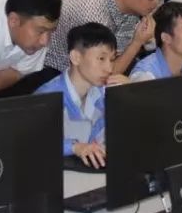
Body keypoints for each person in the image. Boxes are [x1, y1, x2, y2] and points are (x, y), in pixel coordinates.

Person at [43, 0, 164, 75]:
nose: (156, 1)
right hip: (57, 72)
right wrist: (137, 42)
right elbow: (103, 75)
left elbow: (117, 56)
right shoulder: (94, 17)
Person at [34, 23, 126, 169]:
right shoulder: (47, 98)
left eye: (112, 59)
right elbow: (33, 143)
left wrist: (131, 95)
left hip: (91, 171)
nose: (109, 68)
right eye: (101, 59)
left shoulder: (103, 93)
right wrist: (75, 147)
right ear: (76, 57)